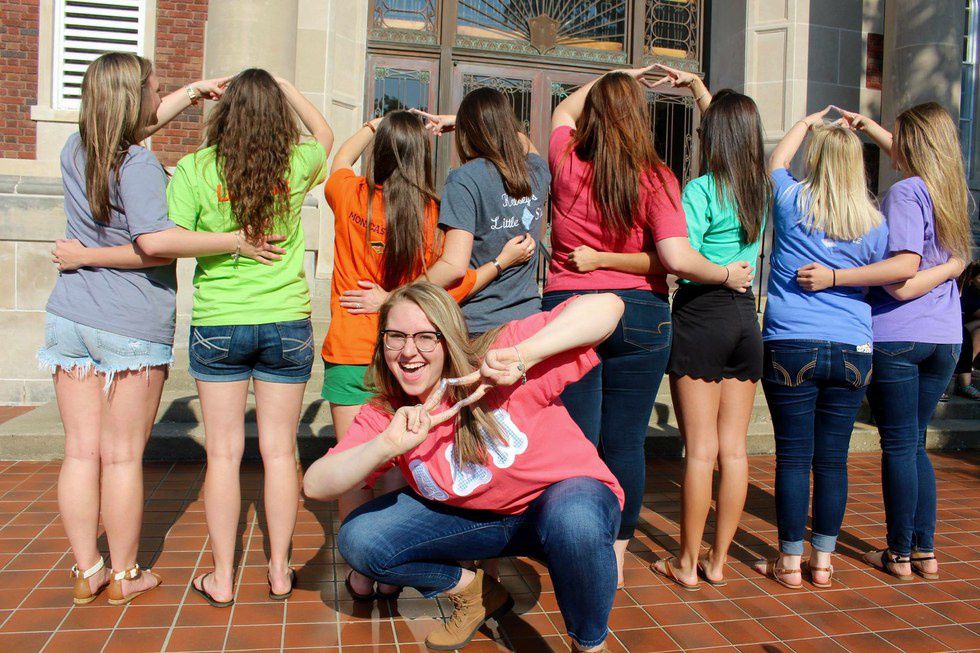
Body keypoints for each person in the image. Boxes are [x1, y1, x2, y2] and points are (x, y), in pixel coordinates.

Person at [40, 52, 279, 606]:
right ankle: (125, 574)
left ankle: (88, 569)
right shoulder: (139, 166)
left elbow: (136, 125)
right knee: (123, 456)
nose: (158, 97)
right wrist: (235, 241)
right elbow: (155, 244)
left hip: (70, 316)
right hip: (129, 321)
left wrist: (192, 92)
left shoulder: (75, 148)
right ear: (133, 99)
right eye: (154, 89)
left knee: (80, 452)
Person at [303, 282, 625, 652]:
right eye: (396, 337)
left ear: (449, 337)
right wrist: (384, 445)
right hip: (480, 525)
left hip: (559, 509)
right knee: (360, 539)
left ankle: (589, 645)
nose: (408, 351)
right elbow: (315, 484)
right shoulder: (388, 413)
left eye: (426, 337)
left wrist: (523, 356)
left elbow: (608, 306)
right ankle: (475, 594)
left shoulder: (497, 357)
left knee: (576, 521)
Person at [542, 64, 754, 586]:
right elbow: (676, 258)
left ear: (594, 114)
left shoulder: (567, 160)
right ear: (641, 118)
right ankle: (615, 555)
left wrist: (617, 74)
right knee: (625, 442)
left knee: (577, 440)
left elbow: (562, 109)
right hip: (642, 313)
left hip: (573, 310)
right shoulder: (658, 177)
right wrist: (726, 273)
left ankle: (579, 543)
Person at [319, 110, 536, 600]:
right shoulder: (434, 214)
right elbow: (455, 285)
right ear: (423, 157)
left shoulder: (348, 194)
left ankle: (361, 572)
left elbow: (339, 158)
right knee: (399, 462)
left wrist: (374, 125)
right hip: (406, 356)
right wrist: (501, 262)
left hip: (350, 348)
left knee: (354, 463)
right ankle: (391, 565)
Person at [165, 69, 333, 606]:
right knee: (280, 452)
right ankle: (280, 570)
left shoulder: (195, 167)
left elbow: (172, 239)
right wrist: (287, 84)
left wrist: (230, 241)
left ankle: (222, 577)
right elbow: (324, 133)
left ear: (225, 113)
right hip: (285, 319)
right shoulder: (296, 162)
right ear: (277, 114)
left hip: (220, 319)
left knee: (223, 454)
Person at [796, 103, 971, 581]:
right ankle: (924, 551)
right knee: (914, 443)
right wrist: (870, 128)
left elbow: (901, 280)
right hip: (945, 337)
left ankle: (899, 553)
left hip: (900, 334)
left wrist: (835, 276)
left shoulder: (905, 191)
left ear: (912, 145)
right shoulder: (950, 191)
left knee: (899, 444)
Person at [642, 67, 770, 589]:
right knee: (733, 451)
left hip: (702, 314)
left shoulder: (699, 189)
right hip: (745, 320)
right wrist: (699, 89)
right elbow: (730, 126)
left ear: (712, 136)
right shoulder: (759, 191)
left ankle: (686, 563)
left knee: (699, 451)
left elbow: (682, 259)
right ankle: (717, 563)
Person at [752, 108, 889, 590]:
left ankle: (789, 562)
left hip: (791, 340)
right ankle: (824, 562)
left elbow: (775, 161)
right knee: (832, 460)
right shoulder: (874, 223)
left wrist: (806, 123)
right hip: (853, 345)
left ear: (818, 159)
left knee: (793, 457)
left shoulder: (792, 201)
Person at [415, 88, 550, 336]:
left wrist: (400, 293)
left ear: (468, 132)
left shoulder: (464, 179)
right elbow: (523, 141)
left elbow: (453, 266)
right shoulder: (536, 171)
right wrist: (465, 121)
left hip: (477, 325)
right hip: (528, 323)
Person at [954, 262, 980, 399]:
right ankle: (964, 381)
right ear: (971, 278)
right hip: (955, 328)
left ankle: (968, 369)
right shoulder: (966, 291)